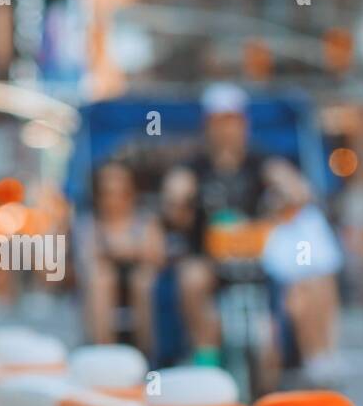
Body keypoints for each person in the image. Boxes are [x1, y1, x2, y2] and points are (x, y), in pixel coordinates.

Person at [170, 82, 320, 373]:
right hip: (211, 261)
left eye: (233, 122)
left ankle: (304, 358)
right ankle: (203, 354)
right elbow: (175, 192)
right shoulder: (195, 166)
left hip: (258, 259)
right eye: (220, 122)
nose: (227, 130)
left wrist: (288, 194)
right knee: (191, 279)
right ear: (208, 126)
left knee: (303, 284)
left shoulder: (260, 161)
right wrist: (179, 198)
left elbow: (297, 189)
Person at [78, 161, 164, 352]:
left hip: (139, 283)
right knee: (100, 278)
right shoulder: (89, 223)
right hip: (104, 285)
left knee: (142, 281)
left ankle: (146, 354)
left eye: (120, 192)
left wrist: (128, 252)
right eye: (108, 192)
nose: (114, 200)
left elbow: (157, 255)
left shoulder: (146, 220)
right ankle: (104, 352)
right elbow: (87, 258)